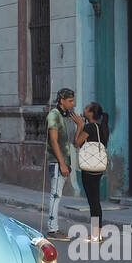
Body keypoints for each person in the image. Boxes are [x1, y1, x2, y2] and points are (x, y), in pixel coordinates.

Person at [44, 88, 83, 237]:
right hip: (57, 162)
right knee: (55, 195)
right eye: (70, 101)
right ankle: (52, 229)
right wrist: (62, 163)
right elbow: (53, 141)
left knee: (57, 195)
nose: (72, 104)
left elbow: (74, 142)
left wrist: (80, 125)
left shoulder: (67, 117)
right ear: (62, 100)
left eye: (73, 100)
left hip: (66, 162)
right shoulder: (53, 115)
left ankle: (54, 227)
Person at [73, 101, 110, 241]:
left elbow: (76, 143)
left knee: (93, 201)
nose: (84, 109)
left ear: (91, 113)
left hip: (88, 169)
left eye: (86, 108)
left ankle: (95, 235)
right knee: (95, 200)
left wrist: (79, 126)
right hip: (98, 167)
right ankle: (97, 233)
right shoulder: (102, 128)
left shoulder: (89, 127)